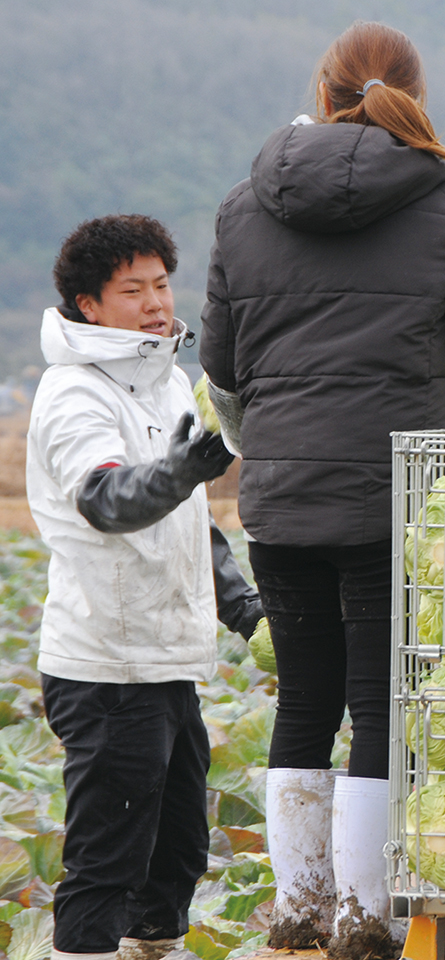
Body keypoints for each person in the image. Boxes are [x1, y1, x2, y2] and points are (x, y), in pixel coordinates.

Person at [199, 20, 445, 957]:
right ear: (415, 97)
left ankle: (296, 910)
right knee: (383, 703)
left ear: (323, 89)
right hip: (391, 493)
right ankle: (363, 916)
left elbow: (222, 359)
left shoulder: (242, 206)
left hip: (283, 490)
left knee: (303, 696)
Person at [29, 215, 263, 960]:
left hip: (164, 665)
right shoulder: (74, 394)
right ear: (88, 305)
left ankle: (147, 950)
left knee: (175, 862)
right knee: (107, 865)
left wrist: (244, 606)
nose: (157, 303)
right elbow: (109, 500)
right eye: (133, 290)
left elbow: (189, 521)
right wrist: (183, 470)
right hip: (107, 669)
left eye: (161, 284)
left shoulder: (162, 385)